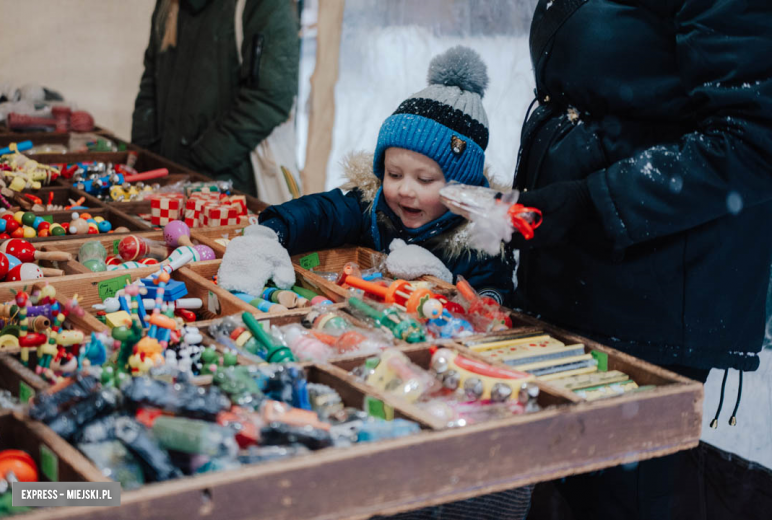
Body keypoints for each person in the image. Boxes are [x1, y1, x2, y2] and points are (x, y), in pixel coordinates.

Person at [507, 1, 772, 518]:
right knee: (565, 489)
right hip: (584, 277)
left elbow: (752, 139)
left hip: (654, 296)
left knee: (625, 496)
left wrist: (593, 201)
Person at [218, 46, 516, 306]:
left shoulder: (481, 244)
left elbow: (493, 307)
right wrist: (272, 232)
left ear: (461, 188)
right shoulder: (371, 207)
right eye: (394, 174)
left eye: (424, 180)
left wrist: (443, 283)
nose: (404, 190)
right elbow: (321, 213)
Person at [131, 0, 299, 197]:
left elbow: (268, 99)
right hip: (168, 184)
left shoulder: (263, 5)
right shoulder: (169, 5)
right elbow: (151, 83)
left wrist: (201, 161)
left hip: (232, 190)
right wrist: (147, 157)